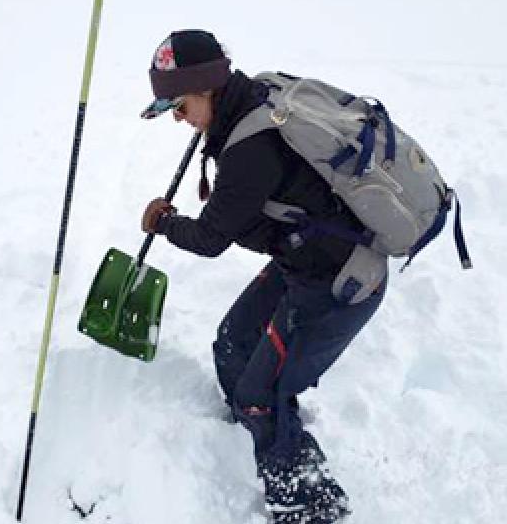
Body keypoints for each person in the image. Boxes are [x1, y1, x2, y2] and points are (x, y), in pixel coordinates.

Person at [139, 29, 385, 523]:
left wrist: (163, 223)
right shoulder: (246, 103)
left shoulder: (250, 147)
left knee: (261, 394)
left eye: (181, 106)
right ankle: (263, 432)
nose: (180, 120)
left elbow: (210, 238)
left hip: (339, 281)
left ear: (207, 89)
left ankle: (307, 503)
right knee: (234, 343)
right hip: (303, 260)